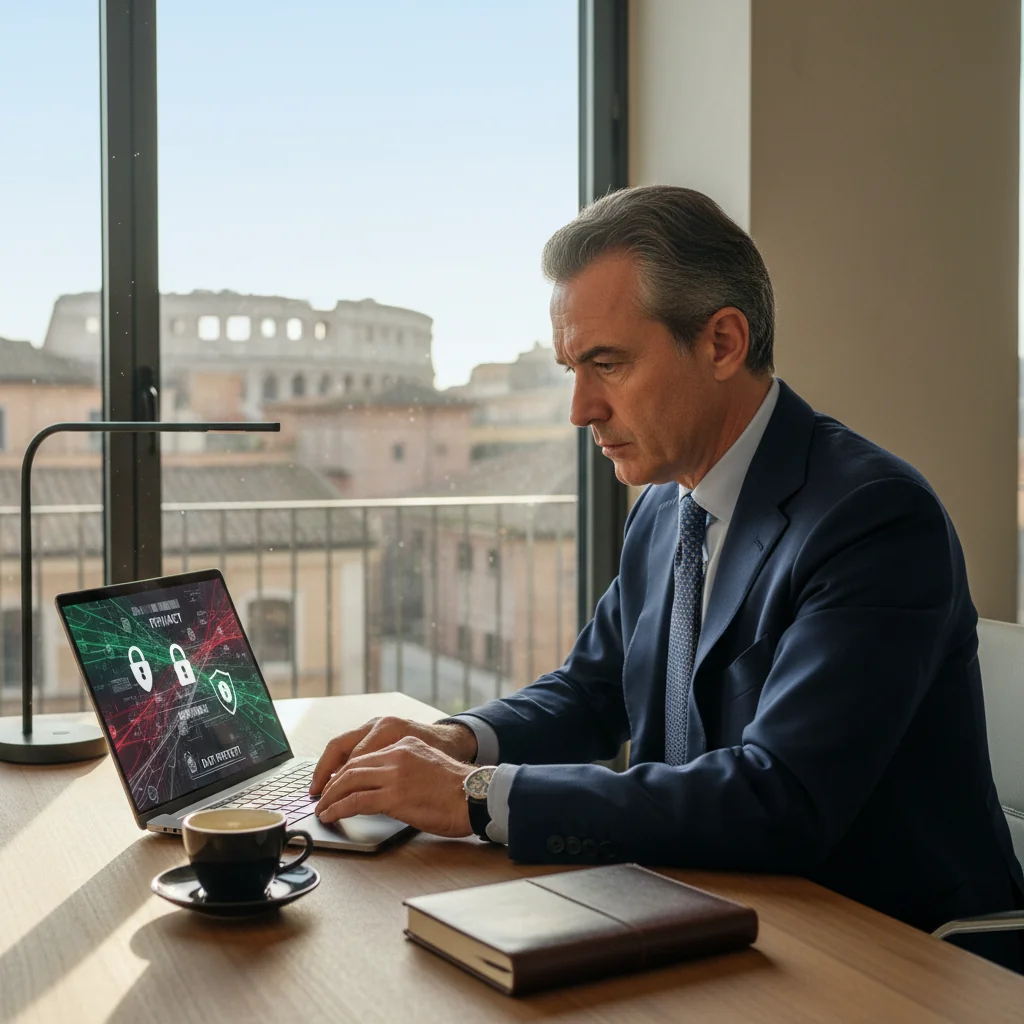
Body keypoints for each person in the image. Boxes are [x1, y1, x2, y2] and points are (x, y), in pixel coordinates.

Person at [309, 185, 1024, 971]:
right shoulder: (665, 507)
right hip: (707, 908)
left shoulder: (874, 519)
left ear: (721, 343)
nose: (580, 409)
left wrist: (477, 796)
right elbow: (592, 689)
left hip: (890, 953)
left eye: (606, 364)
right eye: (571, 369)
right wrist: (455, 739)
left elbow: (779, 797)